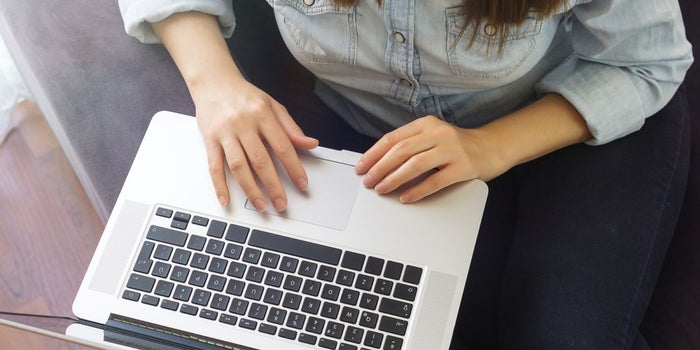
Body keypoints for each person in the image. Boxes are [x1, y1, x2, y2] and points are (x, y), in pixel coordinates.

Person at [118, 1, 693, 349]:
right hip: (379, 138)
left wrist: (488, 148)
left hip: (573, 121)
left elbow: (648, 60)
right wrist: (214, 82)